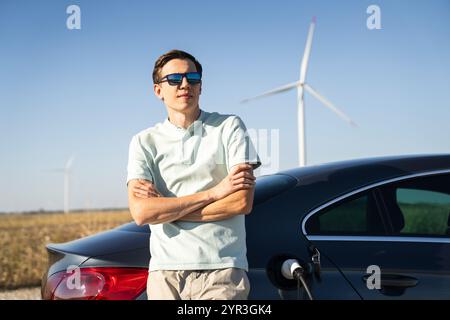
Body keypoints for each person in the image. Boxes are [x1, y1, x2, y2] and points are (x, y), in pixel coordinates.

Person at [126, 49, 261, 300]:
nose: (185, 84)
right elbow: (143, 213)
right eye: (174, 79)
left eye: (193, 78)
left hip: (222, 270)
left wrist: (166, 212)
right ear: (158, 90)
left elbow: (241, 201)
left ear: (201, 86)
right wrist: (215, 192)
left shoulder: (230, 127)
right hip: (164, 274)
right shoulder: (143, 142)